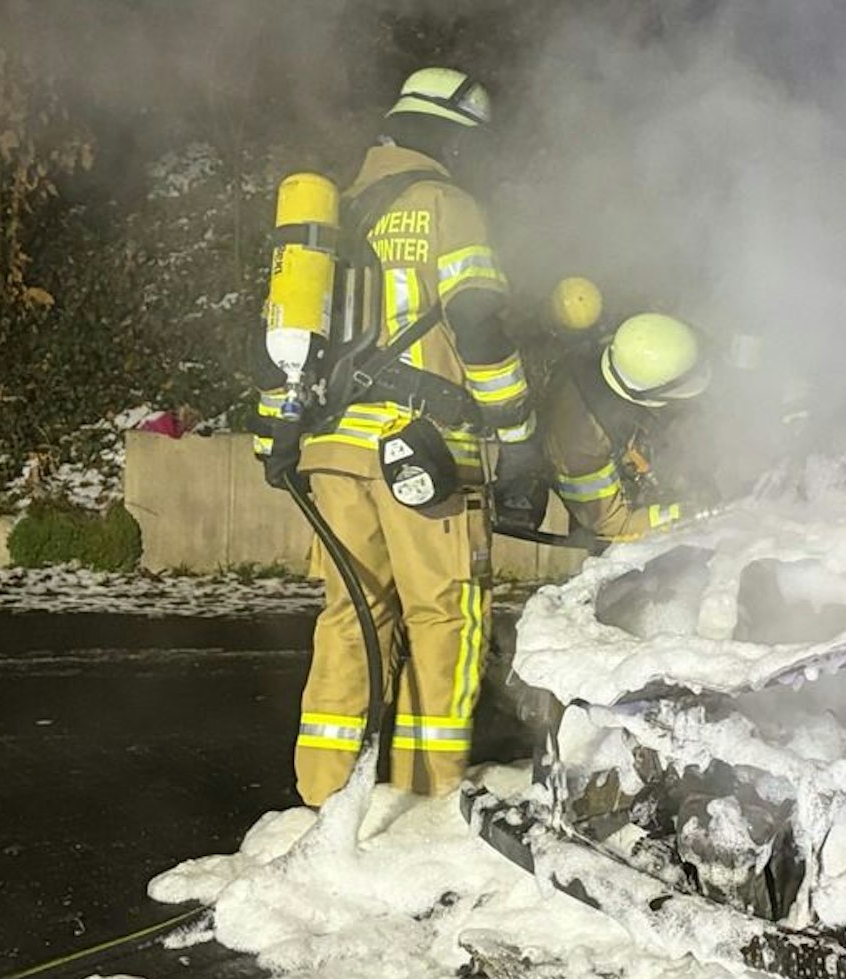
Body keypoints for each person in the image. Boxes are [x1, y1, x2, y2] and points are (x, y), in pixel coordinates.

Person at [253, 66, 542, 806]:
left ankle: (322, 798)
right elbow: (478, 321)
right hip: (424, 453)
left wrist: (273, 439)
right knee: (444, 617)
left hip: (329, 450)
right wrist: (518, 432)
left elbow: (279, 337)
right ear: (456, 140)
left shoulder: (334, 213)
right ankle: (425, 802)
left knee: (352, 615)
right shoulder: (450, 206)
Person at [541, 295, 711, 541]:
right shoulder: (582, 439)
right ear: (645, 397)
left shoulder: (634, 347)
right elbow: (614, 524)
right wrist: (684, 513)